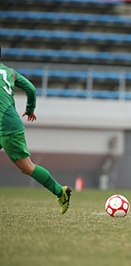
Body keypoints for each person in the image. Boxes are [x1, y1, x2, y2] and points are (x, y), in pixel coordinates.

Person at [0, 47, 71, 214]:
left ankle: (60, 191)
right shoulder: (9, 72)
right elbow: (31, 88)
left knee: (27, 167)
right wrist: (30, 108)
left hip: (6, 125)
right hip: (9, 121)